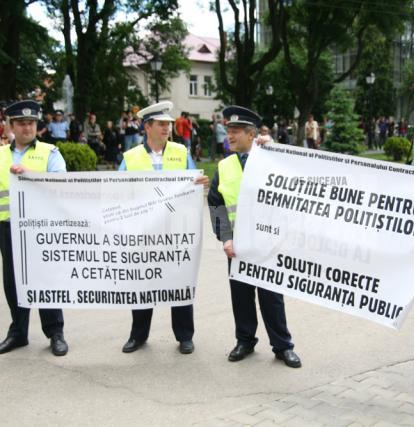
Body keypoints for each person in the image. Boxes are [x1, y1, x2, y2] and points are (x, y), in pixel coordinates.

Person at [207, 105, 301, 369]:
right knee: (241, 296)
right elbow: (216, 205)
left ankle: (283, 346)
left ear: (252, 135)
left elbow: (294, 182)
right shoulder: (224, 166)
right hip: (237, 244)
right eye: (228, 131)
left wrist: (275, 148)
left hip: (268, 242)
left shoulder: (271, 159)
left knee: (271, 296)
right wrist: (225, 238)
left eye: (236, 131)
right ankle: (245, 341)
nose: (230, 136)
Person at [0, 100, 68, 356]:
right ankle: (18, 332)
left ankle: (55, 332)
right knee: (13, 282)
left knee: (46, 280)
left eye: (31, 123)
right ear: (11, 126)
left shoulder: (50, 153)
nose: (27, 127)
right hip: (9, 228)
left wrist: (30, 173)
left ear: (37, 126)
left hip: (42, 229)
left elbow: (63, 187)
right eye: (21, 123)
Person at [118, 101, 208, 355]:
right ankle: (138, 335)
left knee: (180, 281)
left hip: (175, 230)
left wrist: (197, 182)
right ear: (147, 127)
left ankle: (185, 336)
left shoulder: (181, 151)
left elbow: (191, 183)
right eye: (161, 124)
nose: (167, 128)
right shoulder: (131, 157)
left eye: (168, 124)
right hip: (144, 231)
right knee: (143, 283)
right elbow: (118, 191)